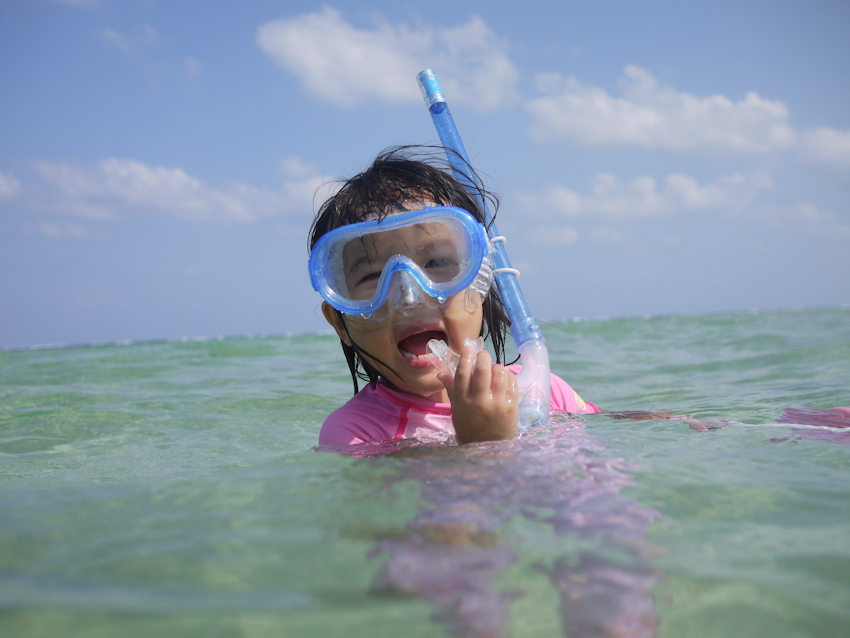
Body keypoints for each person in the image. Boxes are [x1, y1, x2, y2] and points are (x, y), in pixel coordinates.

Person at [309, 146, 599, 448]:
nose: (410, 297)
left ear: (481, 281)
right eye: (372, 276)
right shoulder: (356, 433)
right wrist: (481, 443)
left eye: (436, 263)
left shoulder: (541, 388)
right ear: (340, 324)